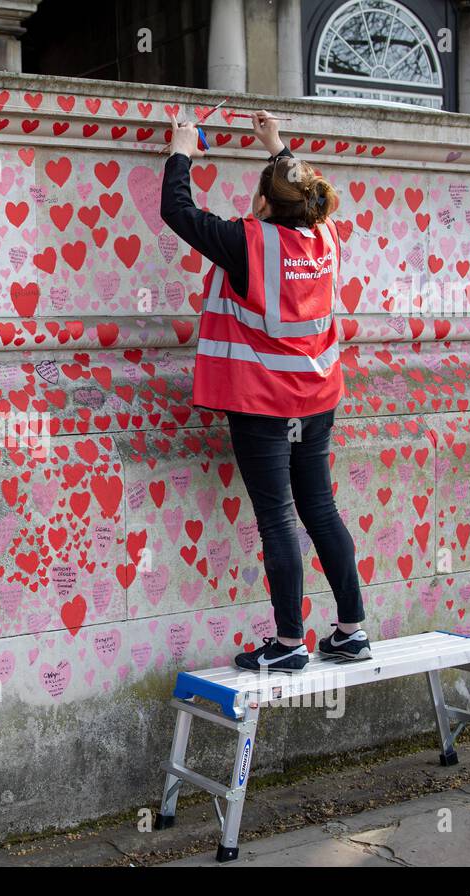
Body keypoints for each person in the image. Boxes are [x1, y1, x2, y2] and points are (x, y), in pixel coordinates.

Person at [161, 110, 368, 674]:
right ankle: (352, 631)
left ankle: (289, 643)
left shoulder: (247, 245)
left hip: (263, 406)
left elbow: (177, 211)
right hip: (317, 398)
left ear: (261, 204)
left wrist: (181, 151)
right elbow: (298, 192)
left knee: (278, 519)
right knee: (320, 510)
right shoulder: (324, 234)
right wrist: (277, 146)